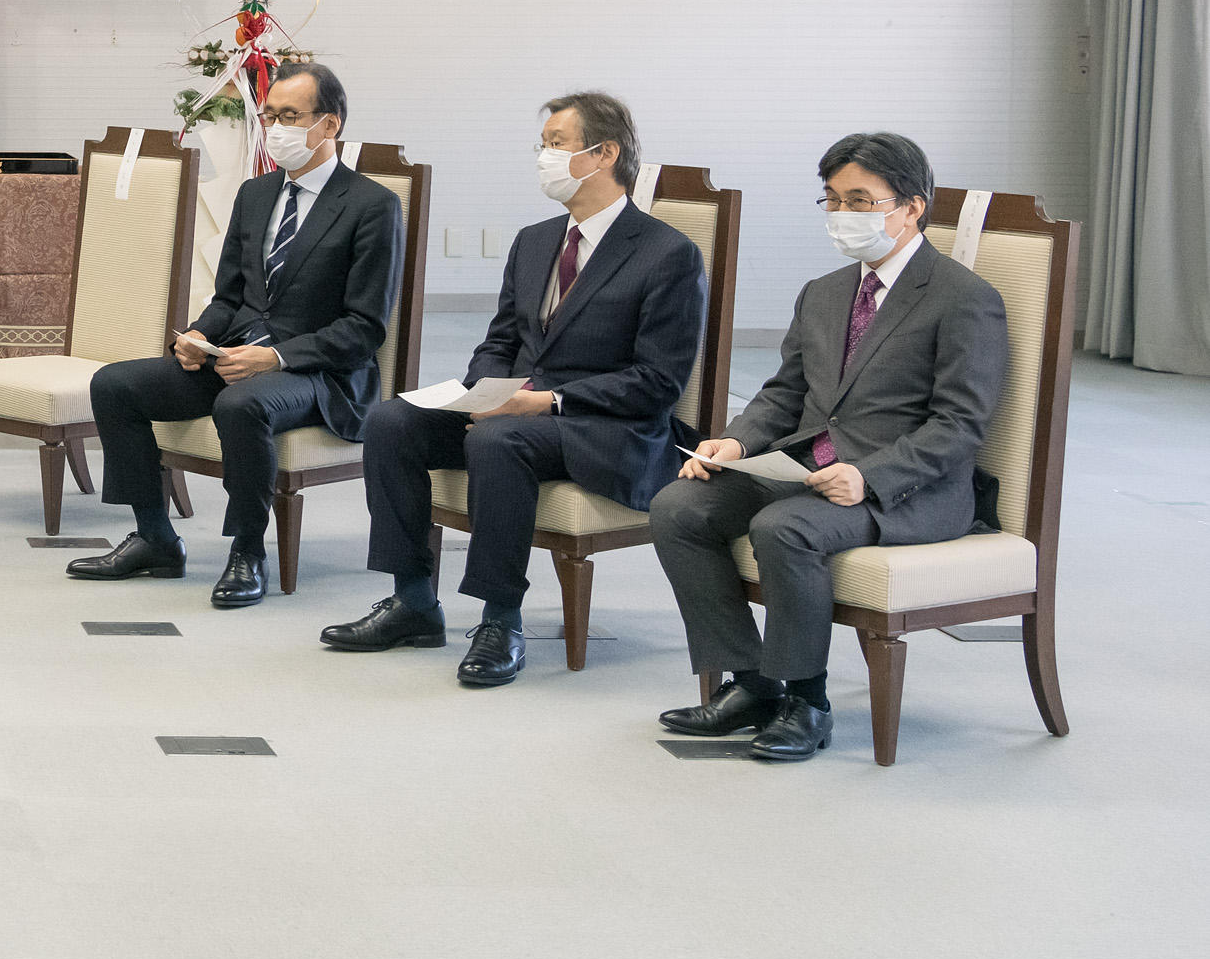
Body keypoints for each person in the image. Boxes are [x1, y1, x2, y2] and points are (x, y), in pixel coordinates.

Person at [324, 92, 704, 687]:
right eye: (543, 144)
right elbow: (501, 338)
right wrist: (481, 391)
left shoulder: (668, 253)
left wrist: (546, 401)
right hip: (516, 410)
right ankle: (413, 600)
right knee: (391, 420)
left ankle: (500, 619)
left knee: (498, 441)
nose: (543, 157)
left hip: (607, 429)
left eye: (557, 143)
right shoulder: (534, 240)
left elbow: (658, 382)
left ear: (604, 154)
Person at [648, 132, 1006, 762]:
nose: (842, 214)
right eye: (833, 199)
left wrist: (869, 476)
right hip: (808, 467)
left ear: (912, 207)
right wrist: (735, 442)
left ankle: (807, 702)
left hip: (908, 490)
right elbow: (785, 392)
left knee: (784, 527)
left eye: (860, 200)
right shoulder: (824, 291)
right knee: (678, 508)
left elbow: (959, 424)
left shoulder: (964, 298)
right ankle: (751, 685)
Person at [68, 63, 398, 606]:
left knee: (241, 404)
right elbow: (230, 297)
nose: (275, 128)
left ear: (330, 124)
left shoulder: (371, 205)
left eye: (289, 116)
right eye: (269, 116)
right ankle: (155, 537)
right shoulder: (256, 193)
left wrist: (275, 359)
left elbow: (364, 328)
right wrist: (198, 334)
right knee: (115, 384)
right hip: (237, 354)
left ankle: (248, 552)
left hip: (321, 373)